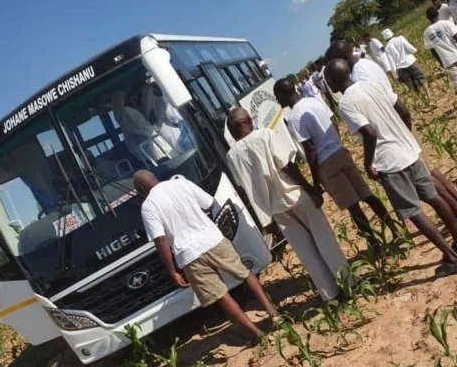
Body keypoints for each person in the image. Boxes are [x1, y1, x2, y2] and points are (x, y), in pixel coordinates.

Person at [328, 59, 457, 275]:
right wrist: (404, 136)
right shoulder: (373, 84)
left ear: (332, 81)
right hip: (408, 150)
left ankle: (452, 258)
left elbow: (369, 133)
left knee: (413, 212)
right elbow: (404, 112)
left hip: (390, 161)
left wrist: (369, 163)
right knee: (432, 197)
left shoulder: (346, 103)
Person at [326, 39, 457, 223]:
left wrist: (404, 134)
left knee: (426, 177)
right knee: (428, 172)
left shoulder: (360, 73)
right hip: (397, 126)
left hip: (396, 128)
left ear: (345, 58)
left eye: (334, 62)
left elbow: (379, 106)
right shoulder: (364, 66)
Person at [135, 170, 279, 342]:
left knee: (221, 295)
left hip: (190, 257)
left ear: (142, 188)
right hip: (214, 240)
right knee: (245, 273)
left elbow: (160, 240)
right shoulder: (181, 183)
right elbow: (210, 204)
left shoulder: (148, 206)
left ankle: (257, 334)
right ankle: (274, 313)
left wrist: (173, 271)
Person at [225, 108, 346, 301]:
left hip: (275, 208)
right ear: (245, 122)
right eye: (250, 118)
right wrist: (310, 188)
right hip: (294, 194)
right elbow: (287, 166)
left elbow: (245, 187)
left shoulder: (232, 156)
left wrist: (264, 218)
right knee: (325, 240)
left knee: (306, 252)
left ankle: (330, 294)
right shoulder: (264, 135)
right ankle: (348, 282)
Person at [275, 78, 401, 252]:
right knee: (367, 195)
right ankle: (395, 229)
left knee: (353, 206)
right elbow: (334, 124)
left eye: (277, 97)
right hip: (340, 152)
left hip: (326, 163)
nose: (277, 101)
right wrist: (335, 143)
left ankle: (375, 243)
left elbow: (310, 150)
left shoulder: (295, 117)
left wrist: (316, 180)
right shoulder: (314, 101)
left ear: (282, 95)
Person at [381, 29, 428, 98]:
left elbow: (392, 63)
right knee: (421, 78)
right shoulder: (400, 38)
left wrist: (396, 75)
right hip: (411, 62)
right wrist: (415, 50)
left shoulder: (387, 48)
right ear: (392, 34)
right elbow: (410, 48)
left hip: (401, 68)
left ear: (385, 39)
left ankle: (422, 99)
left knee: (411, 84)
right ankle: (429, 97)